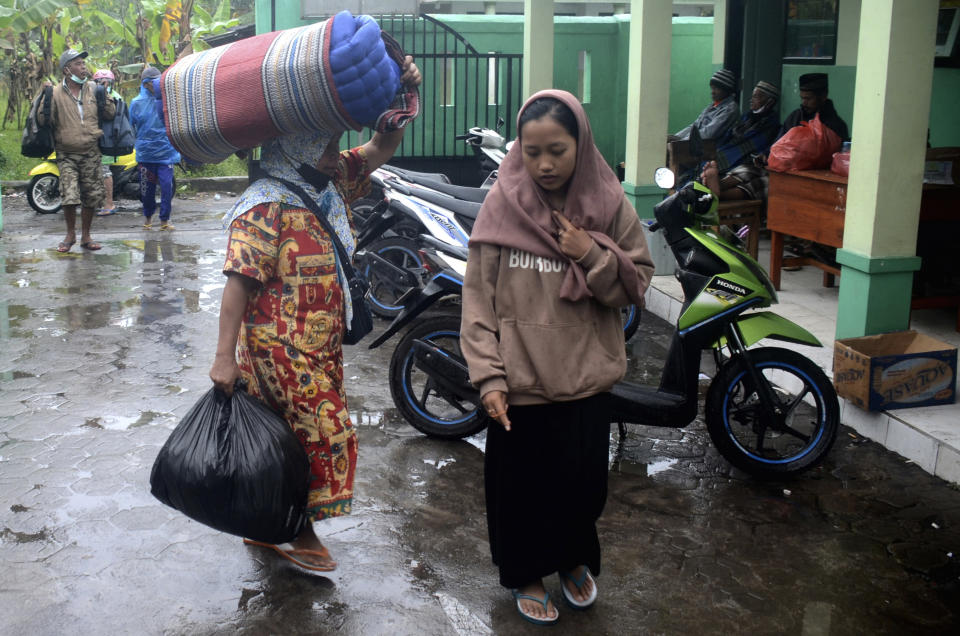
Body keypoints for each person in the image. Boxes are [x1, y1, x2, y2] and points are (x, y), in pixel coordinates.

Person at [208, 58, 422, 572]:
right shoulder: (265, 204)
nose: (335, 155)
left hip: (320, 345)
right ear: (299, 146)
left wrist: (403, 100)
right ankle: (297, 529)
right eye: (325, 146)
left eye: (332, 146)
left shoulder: (326, 183)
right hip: (275, 348)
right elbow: (238, 284)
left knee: (284, 441)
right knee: (321, 433)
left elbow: (377, 150)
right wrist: (222, 359)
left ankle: (264, 526)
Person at [461, 90, 654, 625]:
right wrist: (488, 376)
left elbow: (634, 284)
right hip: (519, 383)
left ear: (581, 145)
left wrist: (591, 254)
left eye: (558, 150)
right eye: (532, 150)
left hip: (587, 380)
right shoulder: (503, 205)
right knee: (520, 490)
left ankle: (571, 561)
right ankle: (526, 573)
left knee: (581, 486)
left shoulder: (611, 206)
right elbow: (477, 299)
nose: (544, 164)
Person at [38, 49, 115, 252]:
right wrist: (43, 98)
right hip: (66, 153)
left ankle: (86, 237)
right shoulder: (54, 93)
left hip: (91, 152)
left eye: (83, 63)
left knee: (91, 196)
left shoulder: (94, 89)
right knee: (69, 195)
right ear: (67, 69)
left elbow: (110, 114)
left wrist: (105, 94)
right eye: (79, 64)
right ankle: (70, 234)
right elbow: (43, 120)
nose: (84, 68)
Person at [700, 80, 781, 201]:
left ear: (770, 102)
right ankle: (712, 185)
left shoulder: (772, 124)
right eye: (752, 96)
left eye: (756, 96)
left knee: (746, 171)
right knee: (711, 159)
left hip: (748, 158)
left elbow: (758, 146)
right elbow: (730, 135)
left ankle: (716, 187)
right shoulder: (747, 117)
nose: (751, 99)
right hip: (731, 150)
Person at [129, 66, 180, 230]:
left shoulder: (168, 100)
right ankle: (148, 218)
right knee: (147, 191)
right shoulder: (136, 103)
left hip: (166, 153)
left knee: (167, 186)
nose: (157, 85)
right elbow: (131, 126)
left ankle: (164, 220)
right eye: (153, 83)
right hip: (145, 154)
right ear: (145, 84)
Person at [672, 68, 740, 142]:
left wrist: (680, 142)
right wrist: (676, 137)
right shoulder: (712, 106)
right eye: (712, 88)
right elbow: (695, 126)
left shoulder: (730, 109)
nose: (712, 92)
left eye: (717, 89)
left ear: (727, 90)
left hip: (715, 150)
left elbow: (708, 133)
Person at [778, 72, 849, 142]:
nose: (804, 102)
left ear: (823, 96)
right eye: (802, 98)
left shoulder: (835, 125)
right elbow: (778, 144)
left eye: (808, 98)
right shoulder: (794, 118)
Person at [92, 69, 123, 216]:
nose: (104, 85)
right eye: (100, 82)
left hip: (107, 140)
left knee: (104, 171)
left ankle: (109, 204)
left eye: (107, 82)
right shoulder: (99, 95)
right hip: (98, 139)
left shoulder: (113, 97)